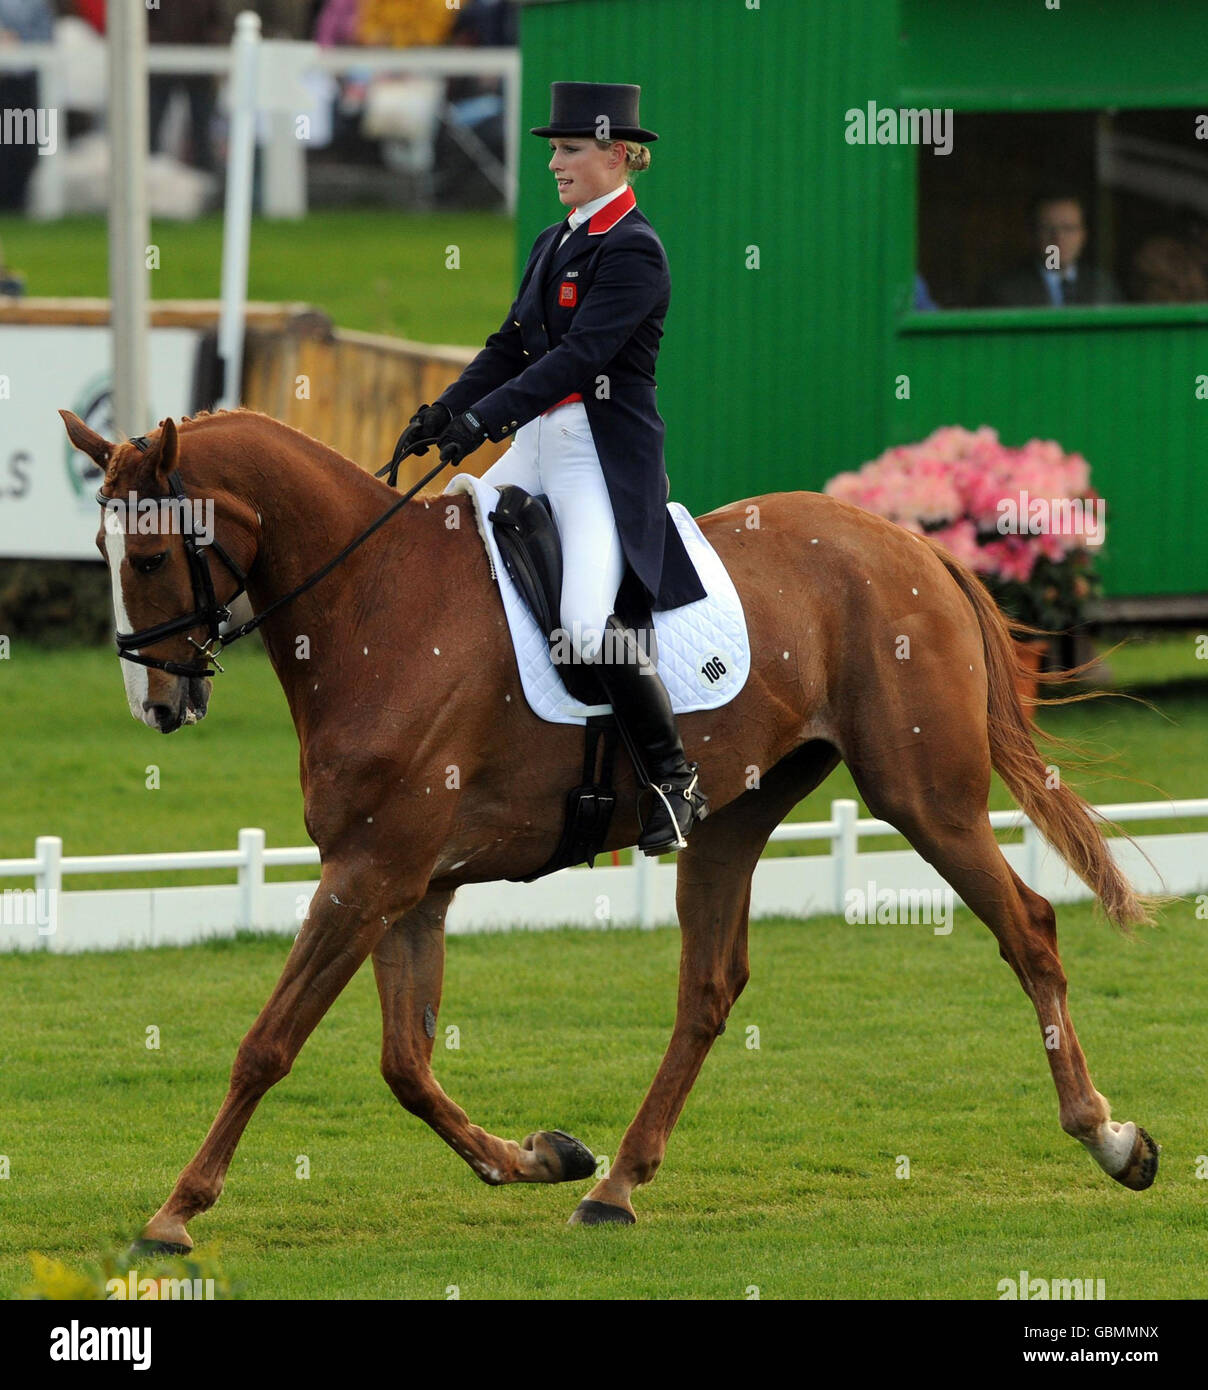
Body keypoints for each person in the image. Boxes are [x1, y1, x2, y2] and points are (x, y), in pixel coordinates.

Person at [390, 81, 710, 855]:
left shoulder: (635, 250)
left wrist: (485, 419)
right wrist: (446, 410)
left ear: (615, 154)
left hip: (597, 455)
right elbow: (511, 345)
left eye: (568, 151)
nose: (555, 164)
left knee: (585, 623)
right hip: (536, 440)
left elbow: (581, 357)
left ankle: (674, 782)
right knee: (444, 555)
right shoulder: (553, 240)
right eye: (553, 152)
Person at [985, 191, 1120, 307]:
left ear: (1083, 235)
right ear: (1032, 235)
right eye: (1048, 229)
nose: (1058, 239)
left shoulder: (1103, 288)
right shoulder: (1004, 291)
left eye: (1068, 228)